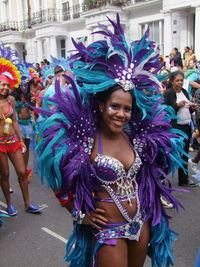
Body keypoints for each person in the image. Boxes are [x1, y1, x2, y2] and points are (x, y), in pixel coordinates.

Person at [37, 15, 186, 267]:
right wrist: (79, 213)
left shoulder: (134, 137)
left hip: (141, 223)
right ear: (101, 106)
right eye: (115, 106)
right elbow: (57, 175)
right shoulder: (86, 141)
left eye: (127, 109)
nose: (121, 114)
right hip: (109, 230)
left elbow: (150, 173)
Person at [0, 57, 42, 215]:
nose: (5, 88)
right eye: (2, 84)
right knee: (4, 174)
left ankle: (28, 203)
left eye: (7, 85)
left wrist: (20, 140)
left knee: (22, 171)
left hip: (12, 141)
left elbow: (15, 122)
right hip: (0, 144)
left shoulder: (11, 100)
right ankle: (10, 204)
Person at [164, 71, 197, 187]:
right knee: (172, 154)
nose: (180, 82)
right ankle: (160, 177)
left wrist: (192, 107)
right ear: (172, 81)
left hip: (187, 126)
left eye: (181, 80)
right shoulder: (168, 93)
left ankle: (184, 179)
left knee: (184, 154)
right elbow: (166, 111)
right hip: (176, 128)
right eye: (177, 80)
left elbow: (187, 110)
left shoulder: (184, 92)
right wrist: (177, 105)